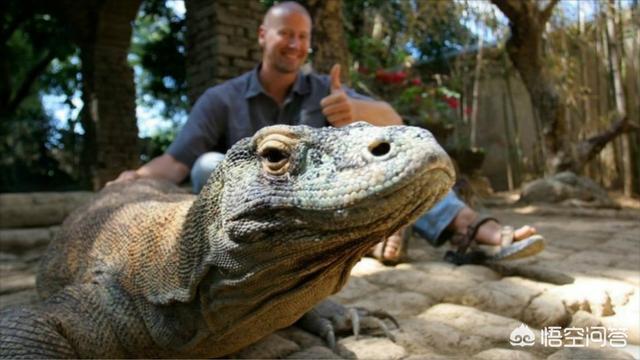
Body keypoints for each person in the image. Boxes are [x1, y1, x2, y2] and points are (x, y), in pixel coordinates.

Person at [109, 1, 544, 265]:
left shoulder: (324, 89)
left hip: (331, 206)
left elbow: (393, 120)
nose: (296, 45)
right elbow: (178, 160)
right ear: (263, 36)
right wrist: (137, 178)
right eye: (286, 34)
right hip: (266, 228)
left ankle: (469, 229)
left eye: (303, 37)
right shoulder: (221, 99)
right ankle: (368, 238)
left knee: (396, 159)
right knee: (209, 166)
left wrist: (357, 109)